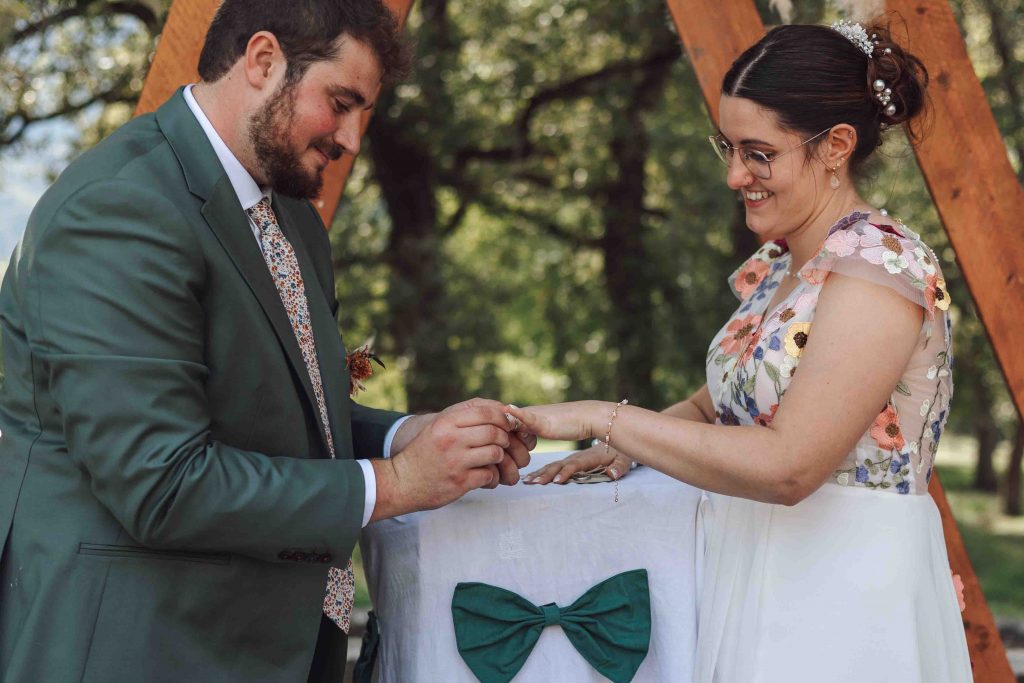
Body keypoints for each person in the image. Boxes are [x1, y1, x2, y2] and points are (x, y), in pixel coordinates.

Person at [0, 1, 532, 681]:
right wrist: (398, 483)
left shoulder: (292, 220)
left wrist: (415, 436)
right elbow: (163, 482)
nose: (350, 137)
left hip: (267, 646)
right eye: (340, 102)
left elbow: (287, 417)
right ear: (262, 60)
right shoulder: (120, 207)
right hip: (137, 646)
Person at [509, 20, 972, 682]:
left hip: (843, 593)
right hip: (752, 573)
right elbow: (714, 406)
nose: (734, 175)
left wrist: (603, 416)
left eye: (758, 153)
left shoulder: (882, 266)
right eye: (726, 146)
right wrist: (629, 447)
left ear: (836, 145)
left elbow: (790, 465)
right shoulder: (786, 264)